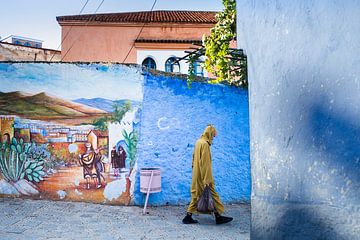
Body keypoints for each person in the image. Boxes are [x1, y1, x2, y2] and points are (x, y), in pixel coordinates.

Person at [182, 125, 233, 225]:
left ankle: (189, 217)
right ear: (209, 134)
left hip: (197, 174)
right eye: (213, 136)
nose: (213, 138)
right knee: (211, 195)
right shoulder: (205, 144)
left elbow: (193, 159)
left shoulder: (198, 142)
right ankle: (218, 217)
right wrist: (207, 180)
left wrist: (195, 170)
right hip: (203, 176)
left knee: (197, 196)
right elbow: (205, 164)